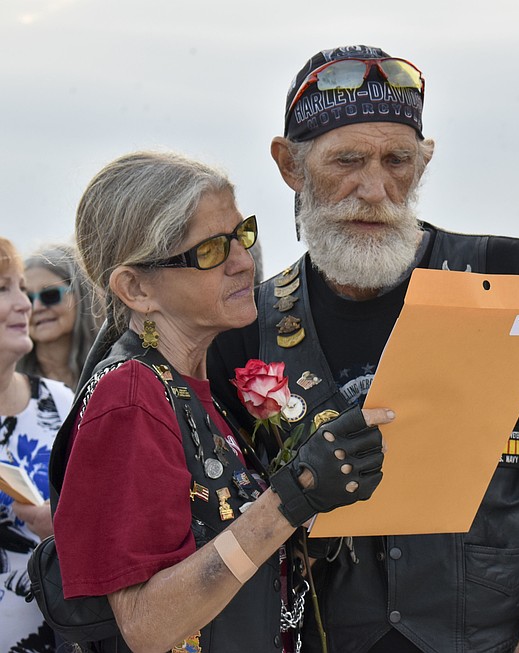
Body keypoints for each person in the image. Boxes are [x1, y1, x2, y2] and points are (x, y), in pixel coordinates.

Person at [208, 44, 519, 653]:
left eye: (398, 161)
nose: (375, 189)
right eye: (346, 160)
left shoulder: (510, 281)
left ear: (424, 163)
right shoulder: (249, 323)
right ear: (289, 166)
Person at [51, 151, 391, 653]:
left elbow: (246, 571)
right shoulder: (130, 396)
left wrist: (328, 493)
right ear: (136, 288)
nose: (242, 261)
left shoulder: (200, 388)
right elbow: (147, 626)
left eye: (242, 234)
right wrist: (292, 497)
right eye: (210, 250)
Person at [0, 237, 74, 652]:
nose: (25, 303)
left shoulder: (61, 401)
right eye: (3, 289)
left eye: (22, 287)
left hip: (65, 638)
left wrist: (64, 522)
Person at [18, 242, 100, 389]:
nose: (36, 307)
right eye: (27, 298)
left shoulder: (112, 370)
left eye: (50, 295)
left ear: (81, 296)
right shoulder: (9, 381)